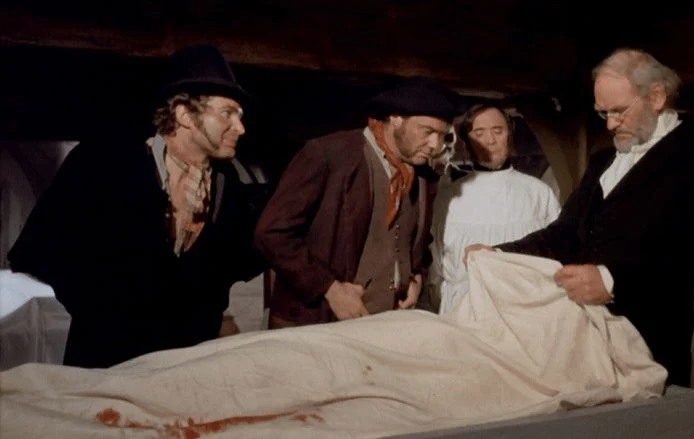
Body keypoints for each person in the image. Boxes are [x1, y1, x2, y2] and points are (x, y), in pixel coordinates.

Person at [464, 48, 694, 387]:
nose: (610, 124)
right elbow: (564, 234)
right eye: (603, 112)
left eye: (619, 111)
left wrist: (612, 281)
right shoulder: (604, 160)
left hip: (652, 343)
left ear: (656, 97)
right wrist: (500, 252)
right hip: (584, 340)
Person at [8, 44, 267, 368]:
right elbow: (39, 249)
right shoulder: (102, 163)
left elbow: (235, 265)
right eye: (228, 113)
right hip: (105, 363)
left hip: (186, 368)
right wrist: (102, 310)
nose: (240, 128)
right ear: (184, 115)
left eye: (240, 116)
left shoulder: (231, 186)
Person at [255, 76, 463, 328]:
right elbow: (272, 233)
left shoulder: (424, 176)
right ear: (395, 118)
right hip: (316, 323)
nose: (435, 145)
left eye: (442, 135)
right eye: (428, 132)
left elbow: (418, 243)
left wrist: (416, 277)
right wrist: (329, 288)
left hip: (384, 325)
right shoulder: (328, 155)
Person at [428, 103, 560, 313]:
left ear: (510, 135)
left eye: (498, 131)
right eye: (479, 133)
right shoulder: (449, 197)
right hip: (463, 311)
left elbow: (554, 256)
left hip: (524, 309)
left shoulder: (539, 193)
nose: (490, 141)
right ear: (467, 141)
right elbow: (436, 270)